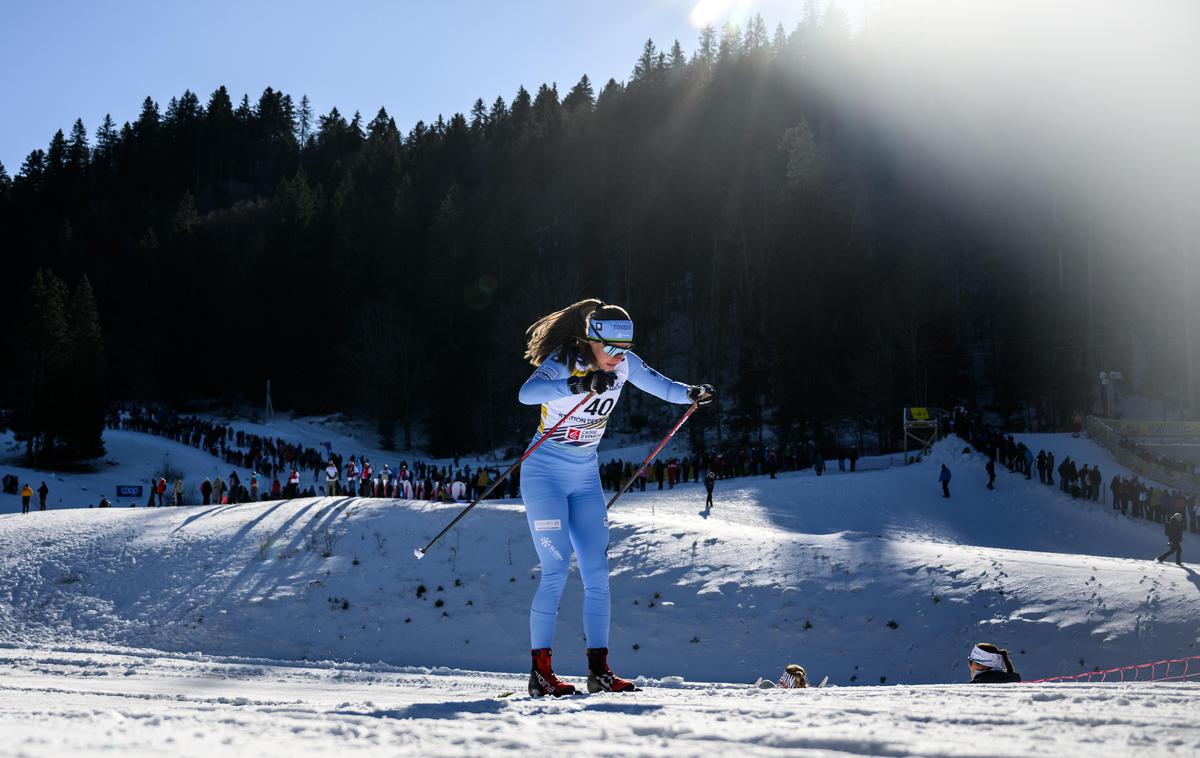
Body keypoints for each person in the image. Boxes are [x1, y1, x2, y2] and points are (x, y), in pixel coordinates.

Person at [517, 299, 714, 697]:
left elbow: (663, 386)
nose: (617, 358)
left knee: (597, 574)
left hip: (585, 477)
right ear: (592, 339)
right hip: (545, 475)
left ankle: (599, 672)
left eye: (624, 350)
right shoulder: (566, 359)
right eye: (611, 350)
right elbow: (528, 393)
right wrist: (577, 384)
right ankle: (541, 673)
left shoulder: (624, 364)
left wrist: (692, 392)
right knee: (555, 570)